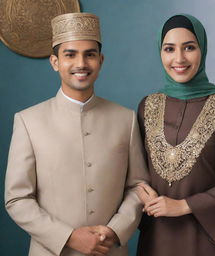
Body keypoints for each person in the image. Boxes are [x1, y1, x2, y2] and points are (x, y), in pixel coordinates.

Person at [5, 12, 148, 256]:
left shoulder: (126, 119)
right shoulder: (28, 121)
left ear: (101, 60)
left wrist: (114, 231)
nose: (81, 63)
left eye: (89, 54)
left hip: (110, 251)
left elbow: (138, 187)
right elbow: (17, 199)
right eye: (70, 54)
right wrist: (68, 237)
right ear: (55, 62)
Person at [136, 14, 215, 256]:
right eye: (169, 49)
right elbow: (135, 172)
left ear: (203, 49)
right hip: (158, 240)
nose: (179, 59)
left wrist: (183, 205)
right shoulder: (147, 106)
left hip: (208, 242)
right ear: (160, 52)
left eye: (189, 47)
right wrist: (139, 190)